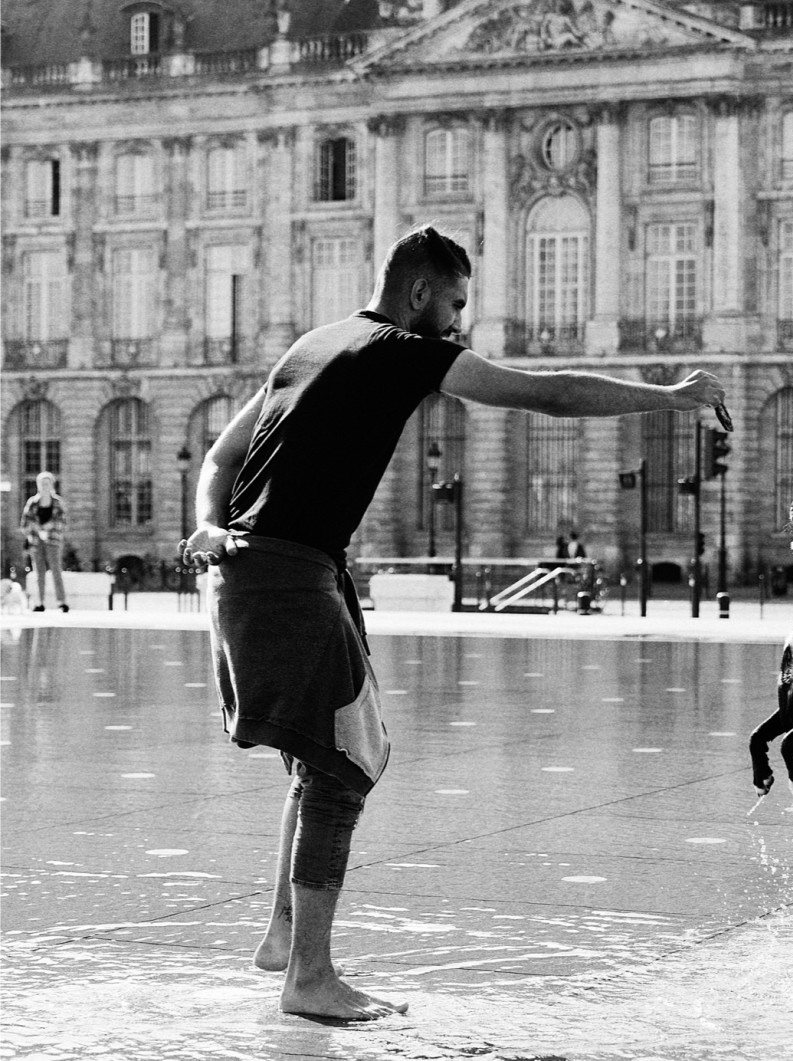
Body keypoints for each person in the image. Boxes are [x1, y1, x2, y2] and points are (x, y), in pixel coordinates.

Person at [182, 224, 727, 1022]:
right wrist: (670, 398)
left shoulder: (312, 344)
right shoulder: (401, 350)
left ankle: (282, 934)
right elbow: (548, 392)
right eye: (456, 305)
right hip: (287, 574)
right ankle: (310, 976)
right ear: (418, 296)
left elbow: (220, 459)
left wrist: (204, 523)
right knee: (347, 762)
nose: (460, 324)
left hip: (254, 568)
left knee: (319, 757)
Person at [20, 471, 69, 613]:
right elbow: (24, 523)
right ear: (38, 485)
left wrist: (49, 526)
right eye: (42, 483)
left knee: (56, 570)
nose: (44, 486)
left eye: (47, 483)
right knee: (38, 572)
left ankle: (62, 601)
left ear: (51, 485)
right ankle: (40, 602)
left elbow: (63, 522)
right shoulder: (32, 502)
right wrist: (35, 528)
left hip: (53, 540)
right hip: (36, 541)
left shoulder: (57, 502)